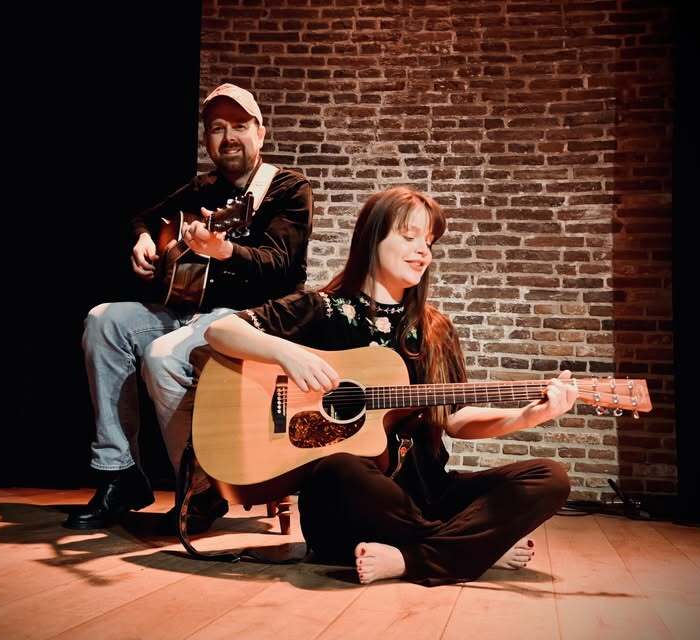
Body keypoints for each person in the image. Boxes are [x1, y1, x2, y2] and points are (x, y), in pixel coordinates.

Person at [204, 187, 576, 586]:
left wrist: (527, 416)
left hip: (426, 494)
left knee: (549, 477)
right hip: (349, 506)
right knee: (341, 467)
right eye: (409, 236)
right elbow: (220, 330)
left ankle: (415, 557)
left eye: (429, 242)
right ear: (373, 238)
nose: (423, 252)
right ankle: (469, 548)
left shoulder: (435, 330)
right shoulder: (323, 309)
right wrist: (286, 353)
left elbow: (456, 420)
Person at [64, 83, 314, 531]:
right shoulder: (204, 188)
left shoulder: (288, 189)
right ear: (207, 140)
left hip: (249, 319)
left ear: (261, 132)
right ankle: (120, 474)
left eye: (240, 125)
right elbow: (143, 218)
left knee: (163, 355)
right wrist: (144, 239)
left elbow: (282, 265)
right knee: (103, 320)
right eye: (217, 128)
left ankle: (201, 491)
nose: (229, 137)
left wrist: (226, 252)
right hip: (189, 312)